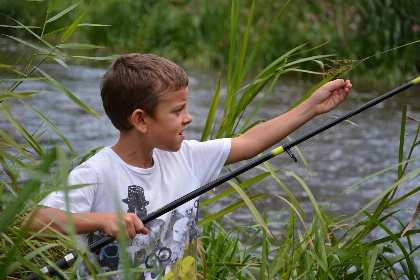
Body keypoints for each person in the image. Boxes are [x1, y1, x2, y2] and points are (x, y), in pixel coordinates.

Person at [22, 53, 352, 279]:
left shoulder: (187, 156)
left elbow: (250, 143)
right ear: (141, 119)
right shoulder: (98, 173)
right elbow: (36, 221)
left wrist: (311, 107)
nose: (188, 117)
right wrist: (104, 219)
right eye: (177, 110)